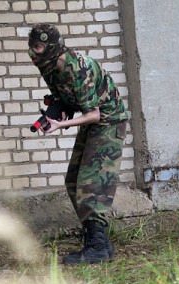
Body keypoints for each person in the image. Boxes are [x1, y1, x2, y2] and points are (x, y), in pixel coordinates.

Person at [28, 23, 129, 264]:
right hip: (93, 123)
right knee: (73, 180)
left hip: (108, 121)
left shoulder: (77, 68)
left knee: (90, 183)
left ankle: (96, 248)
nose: (34, 52)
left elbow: (94, 113)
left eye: (39, 47)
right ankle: (99, 244)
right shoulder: (49, 67)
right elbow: (67, 98)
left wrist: (62, 125)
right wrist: (60, 110)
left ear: (52, 46)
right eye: (32, 47)